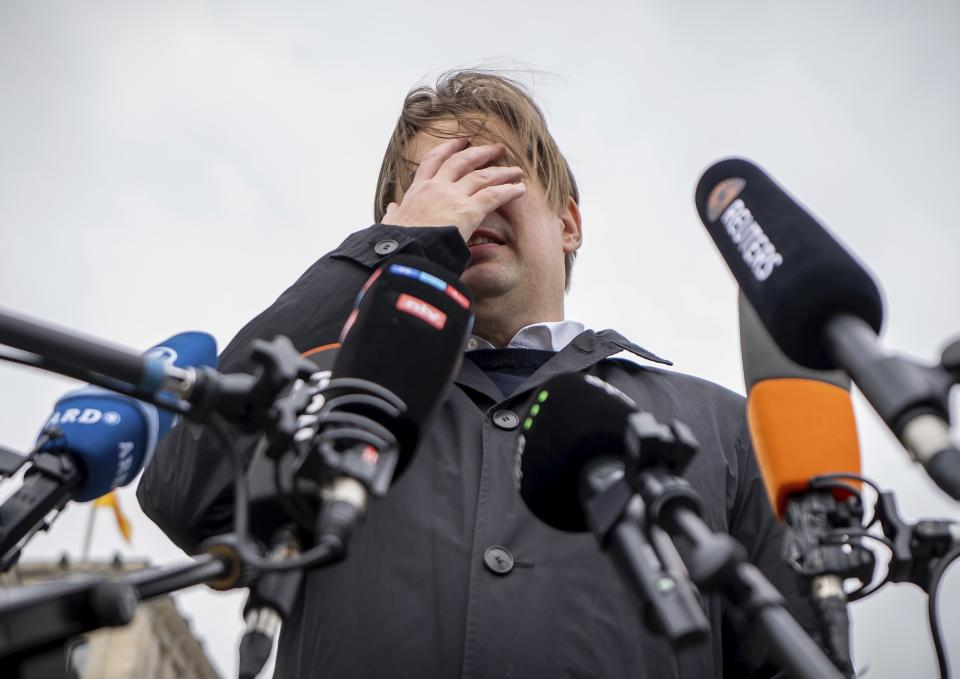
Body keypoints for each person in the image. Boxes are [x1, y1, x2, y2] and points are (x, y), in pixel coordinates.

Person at [138, 70, 819, 678]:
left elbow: (797, 655)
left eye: (496, 169)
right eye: (433, 180)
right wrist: (390, 253)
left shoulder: (723, 428)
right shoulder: (329, 404)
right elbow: (183, 490)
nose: (467, 197)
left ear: (569, 223)